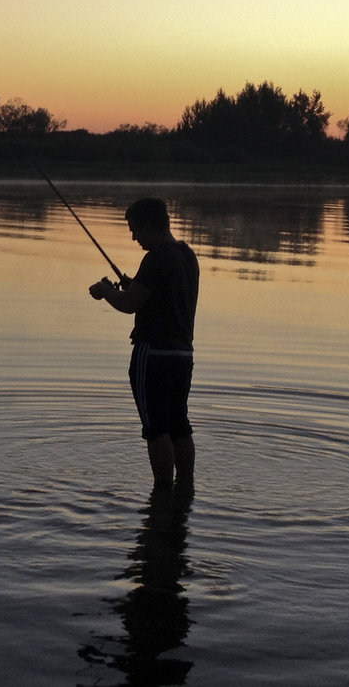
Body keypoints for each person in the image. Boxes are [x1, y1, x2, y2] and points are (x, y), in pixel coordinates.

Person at [89, 198, 199, 487]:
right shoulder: (187, 256)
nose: (134, 236)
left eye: (135, 229)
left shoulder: (156, 258)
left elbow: (128, 305)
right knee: (179, 425)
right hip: (182, 355)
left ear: (150, 225)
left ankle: (161, 493)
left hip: (153, 354)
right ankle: (185, 487)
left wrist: (104, 291)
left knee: (156, 429)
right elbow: (158, 294)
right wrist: (131, 282)